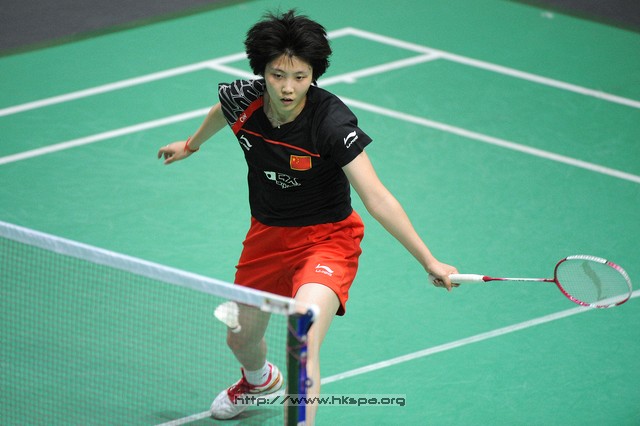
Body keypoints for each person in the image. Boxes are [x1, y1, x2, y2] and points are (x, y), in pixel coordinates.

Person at [157, 9, 458, 424]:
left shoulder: (330, 123)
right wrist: (191, 144)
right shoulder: (243, 100)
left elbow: (376, 197)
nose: (288, 87)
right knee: (241, 338)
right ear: (262, 71)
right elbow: (222, 111)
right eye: (278, 75)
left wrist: (429, 259)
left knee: (303, 339)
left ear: (314, 74)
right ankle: (258, 381)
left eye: (300, 76)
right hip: (267, 235)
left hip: (327, 240)